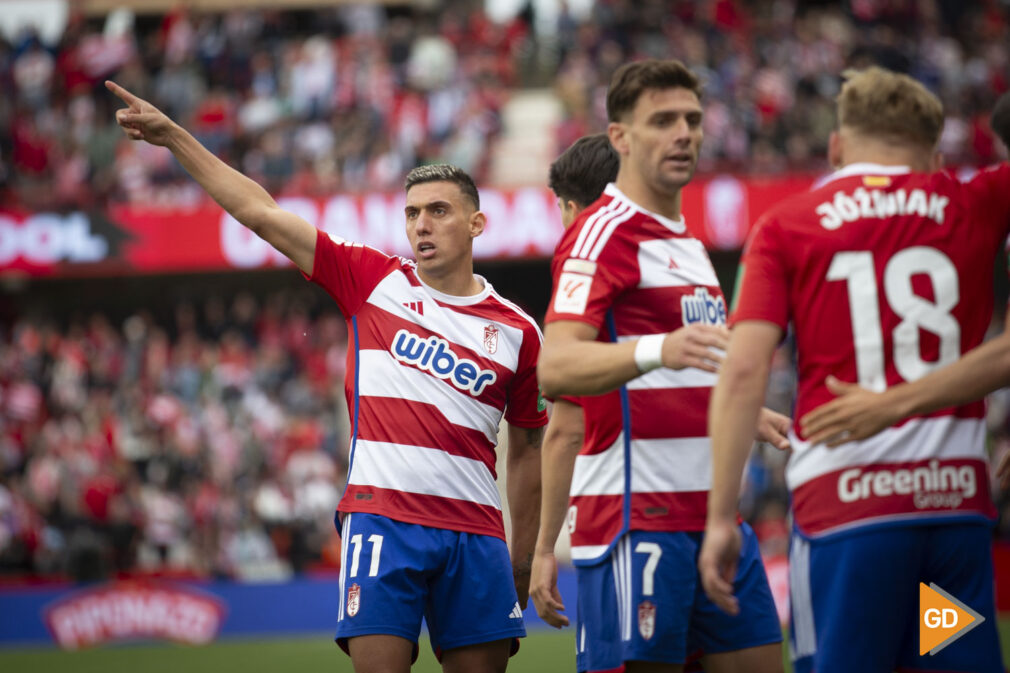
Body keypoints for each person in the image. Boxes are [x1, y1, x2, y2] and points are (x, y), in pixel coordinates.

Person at [107, 80, 547, 673]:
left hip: (476, 530)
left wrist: (522, 559)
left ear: (477, 224)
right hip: (382, 519)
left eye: (439, 212)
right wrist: (176, 139)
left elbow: (526, 449)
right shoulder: (371, 279)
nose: (422, 225)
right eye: (413, 213)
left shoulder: (519, 331)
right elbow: (262, 213)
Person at [699, 68, 1009, 673]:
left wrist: (718, 518)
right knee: (948, 660)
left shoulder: (787, 225)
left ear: (837, 146)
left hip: (845, 515)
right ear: (935, 151)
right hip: (951, 515)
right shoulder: (978, 199)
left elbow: (742, 374)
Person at [537, 60, 787, 673]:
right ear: (621, 136)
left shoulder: (689, 244)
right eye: (663, 120)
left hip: (714, 515)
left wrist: (740, 407)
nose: (684, 133)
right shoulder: (601, 234)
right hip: (637, 522)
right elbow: (555, 366)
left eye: (693, 120)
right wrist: (659, 349)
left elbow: (693, 363)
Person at [529, 133, 619, 630]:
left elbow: (564, 430)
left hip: (617, 515)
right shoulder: (680, 254)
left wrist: (544, 549)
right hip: (705, 506)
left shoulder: (583, 267)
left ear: (568, 207)